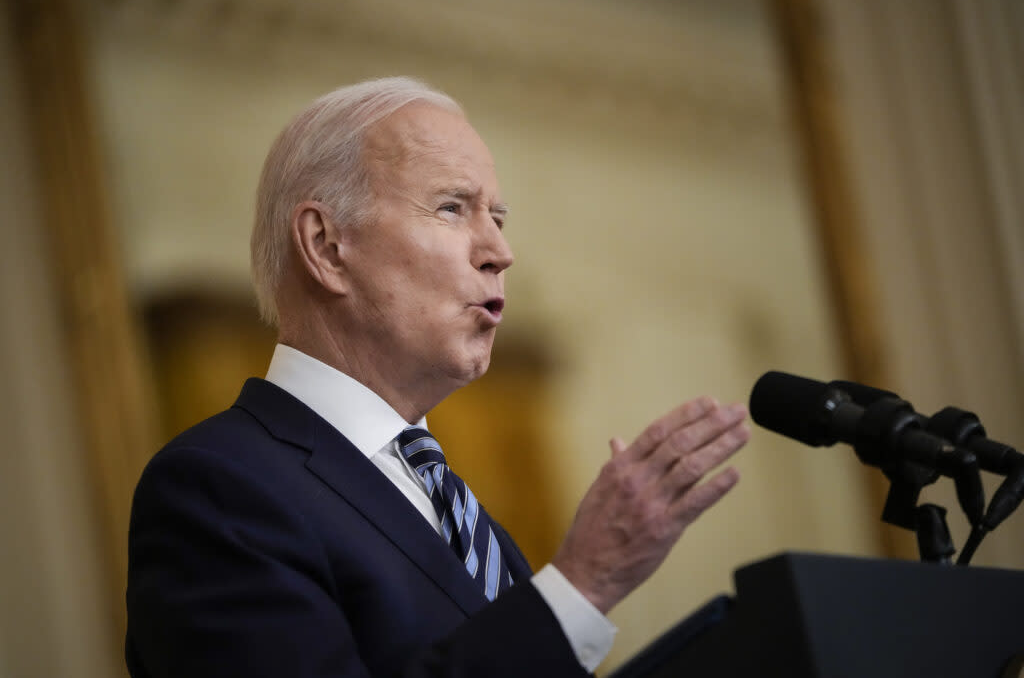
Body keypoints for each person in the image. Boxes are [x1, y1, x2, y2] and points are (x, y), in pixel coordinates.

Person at [125, 77, 750, 678]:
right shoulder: (219, 489)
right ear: (326, 246)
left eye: (498, 218)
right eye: (452, 208)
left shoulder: (463, 515)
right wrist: (582, 584)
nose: (499, 252)